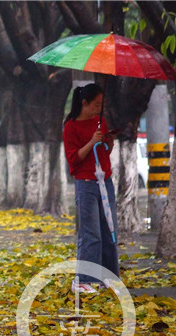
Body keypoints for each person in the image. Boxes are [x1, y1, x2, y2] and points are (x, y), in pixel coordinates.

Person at [62, 83, 119, 294]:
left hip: (105, 181)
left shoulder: (100, 122)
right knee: (91, 233)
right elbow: (74, 160)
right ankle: (83, 279)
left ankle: (109, 276)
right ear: (84, 103)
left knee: (109, 231)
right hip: (85, 184)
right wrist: (91, 142)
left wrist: (108, 142)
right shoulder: (71, 127)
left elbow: (104, 154)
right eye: (96, 104)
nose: (99, 108)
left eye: (101, 105)